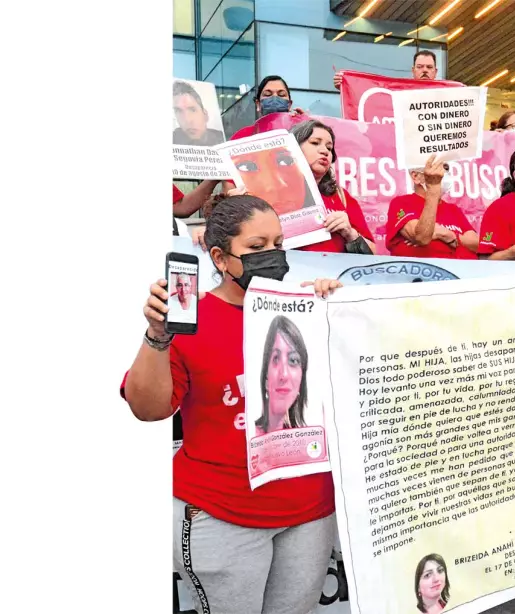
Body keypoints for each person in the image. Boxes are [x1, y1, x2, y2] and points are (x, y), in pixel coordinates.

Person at [122, 194, 342, 614]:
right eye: (256, 247)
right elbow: (148, 409)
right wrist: (157, 336)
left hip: (309, 512)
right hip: (222, 515)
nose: (272, 256)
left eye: (278, 244)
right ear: (221, 257)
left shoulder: (308, 309)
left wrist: (340, 308)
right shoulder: (191, 318)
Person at [290, 120, 376, 254]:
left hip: (334, 274)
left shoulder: (341, 196)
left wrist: (350, 233)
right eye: (315, 143)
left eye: (329, 148)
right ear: (292, 148)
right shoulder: (268, 193)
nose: (324, 151)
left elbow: (373, 252)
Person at [386, 155, 477, 260]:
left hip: (462, 273)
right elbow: (422, 237)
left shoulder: (453, 209)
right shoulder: (401, 203)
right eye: (434, 168)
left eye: (446, 168)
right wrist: (433, 189)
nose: (442, 173)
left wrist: (450, 236)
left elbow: (478, 245)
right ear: (415, 176)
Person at [254, 316, 308, 436]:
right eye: (275, 358)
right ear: (266, 376)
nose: (283, 374)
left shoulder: (304, 442)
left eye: (293, 360)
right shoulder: (249, 434)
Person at [229, 75, 307, 141]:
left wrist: (308, 125)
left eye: (281, 95)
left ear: (289, 105)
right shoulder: (243, 136)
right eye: (267, 94)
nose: (274, 98)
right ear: (258, 104)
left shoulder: (301, 130)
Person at [334, 49, 438, 90]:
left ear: (436, 71)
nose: (425, 70)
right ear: (413, 70)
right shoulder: (399, 91)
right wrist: (346, 85)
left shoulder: (449, 93)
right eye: (420, 67)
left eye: (429, 67)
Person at [173, 81, 225, 147]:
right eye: (179, 111)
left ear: (205, 115)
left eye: (193, 110)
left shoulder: (222, 139)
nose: (187, 120)